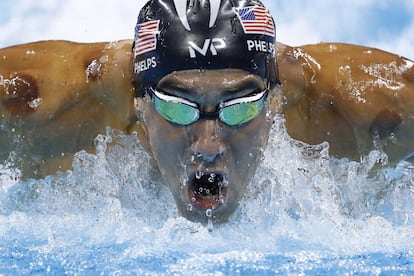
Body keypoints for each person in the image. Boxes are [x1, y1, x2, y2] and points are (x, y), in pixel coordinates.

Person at [0, 0, 413, 223]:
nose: (209, 144)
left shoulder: (365, 105)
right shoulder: (42, 106)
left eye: (239, 108)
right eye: (179, 109)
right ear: (139, 106)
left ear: (275, 103)